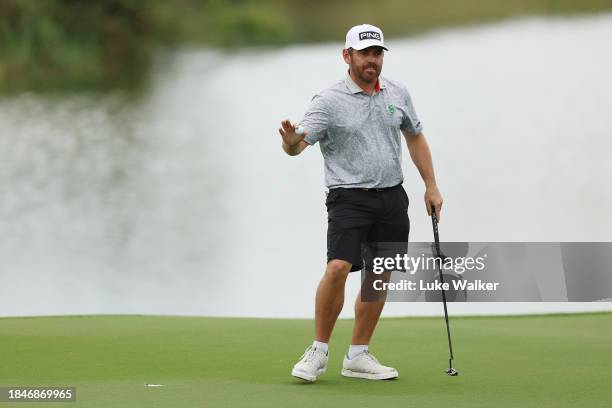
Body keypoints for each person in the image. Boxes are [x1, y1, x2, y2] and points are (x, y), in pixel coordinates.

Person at [278, 24, 443, 382]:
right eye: (365, 53)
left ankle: (357, 355)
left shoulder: (397, 92)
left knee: (379, 275)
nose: (372, 60)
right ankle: (318, 351)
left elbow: (415, 137)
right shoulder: (328, 101)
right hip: (348, 198)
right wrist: (290, 142)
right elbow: (298, 145)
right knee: (337, 268)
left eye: (377, 53)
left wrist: (431, 186)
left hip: (391, 197)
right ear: (347, 56)